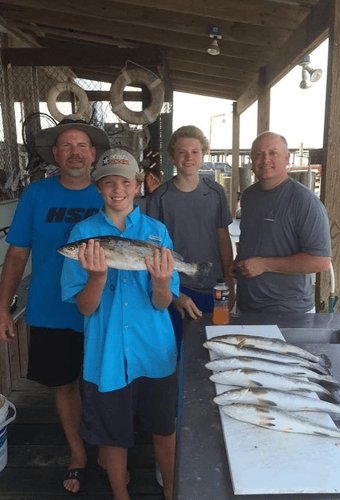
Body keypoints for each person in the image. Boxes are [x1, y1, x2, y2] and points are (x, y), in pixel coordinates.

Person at [0, 116, 110, 495]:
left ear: (93, 154)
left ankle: (112, 457)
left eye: (82, 146)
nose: (75, 152)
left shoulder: (109, 193)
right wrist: (3, 306)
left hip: (103, 309)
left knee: (104, 384)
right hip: (50, 308)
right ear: (55, 154)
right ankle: (78, 454)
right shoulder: (36, 194)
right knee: (64, 386)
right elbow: (16, 254)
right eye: (67, 146)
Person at [61, 148, 179, 500]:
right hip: (107, 355)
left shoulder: (157, 233)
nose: (117, 190)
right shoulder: (82, 233)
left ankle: (173, 491)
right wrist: (96, 277)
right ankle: (120, 494)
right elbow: (84, 308)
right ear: (98, 188)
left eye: (125, 182)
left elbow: (163, 301)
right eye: (108, 183)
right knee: (112, 433)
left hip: (155, 350)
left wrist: (161, 282)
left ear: (137, 185)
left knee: (163, 427)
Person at [146, 125, 234, 354]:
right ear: (173, 157)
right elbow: (152, 249)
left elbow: (223, 239)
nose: (189, 158)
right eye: (182, 152)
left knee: (218, 350)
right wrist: (173, 293)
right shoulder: (160, 197)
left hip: (215, 288)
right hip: (179, 288)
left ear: (204, 154)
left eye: (195, 152)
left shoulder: (215, 192)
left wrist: (231, 282)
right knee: (176, 352)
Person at [234, 131, 331, 313]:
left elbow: (321, 261)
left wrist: (264, 265)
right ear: (251, 161)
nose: (265, 160)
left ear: (287, 158)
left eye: (273, 153)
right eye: (258, 154)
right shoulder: (248, 196)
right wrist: (238, 261)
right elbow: (255, 241)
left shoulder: (305, 201)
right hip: (247, 306)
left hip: (288, 310)